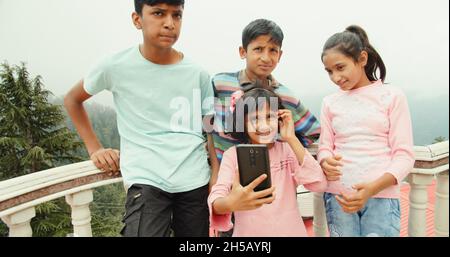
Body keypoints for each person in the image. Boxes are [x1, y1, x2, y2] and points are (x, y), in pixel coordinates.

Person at [64, 0, 215, 237]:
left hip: (194, 179)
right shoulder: (115, 65)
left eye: (177, 15)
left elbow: (211, 128)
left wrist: (215, 174)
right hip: (146, 179)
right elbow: (73, 99)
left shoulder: (198, 74)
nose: (169, 23)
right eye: (158, 13)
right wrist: (95, 149)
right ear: (137, 19)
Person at [209, 19, 321, 236]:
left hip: (271, 185)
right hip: (227, 182)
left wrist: (281, 149)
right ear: (243, 51)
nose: (265, 57)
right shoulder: (220, 83)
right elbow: (207, 126)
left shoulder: (285, 96)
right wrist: (215, 168)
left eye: (273, 50)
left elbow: (313, 132)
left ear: (280, 55)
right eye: (258, 49)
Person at [318, 25, 415, 237]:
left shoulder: (391, 96)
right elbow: (324, 146)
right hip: (339, 197)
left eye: (340, 67)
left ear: (361, 59)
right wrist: (325, 161)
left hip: (381, 198)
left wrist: (372, 188)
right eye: (329, 71)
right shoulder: (329, 102)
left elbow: (404, 155)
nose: (335, 77)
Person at [208, 83, 327, 237]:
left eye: (269, 117)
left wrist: (291, 138)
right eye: (255, 118)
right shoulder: (232, 155)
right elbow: (217, 198)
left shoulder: (288, 150)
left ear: (280, 118)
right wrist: (231, 202)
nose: (263, 124)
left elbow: (319, 183)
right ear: (242, 123)